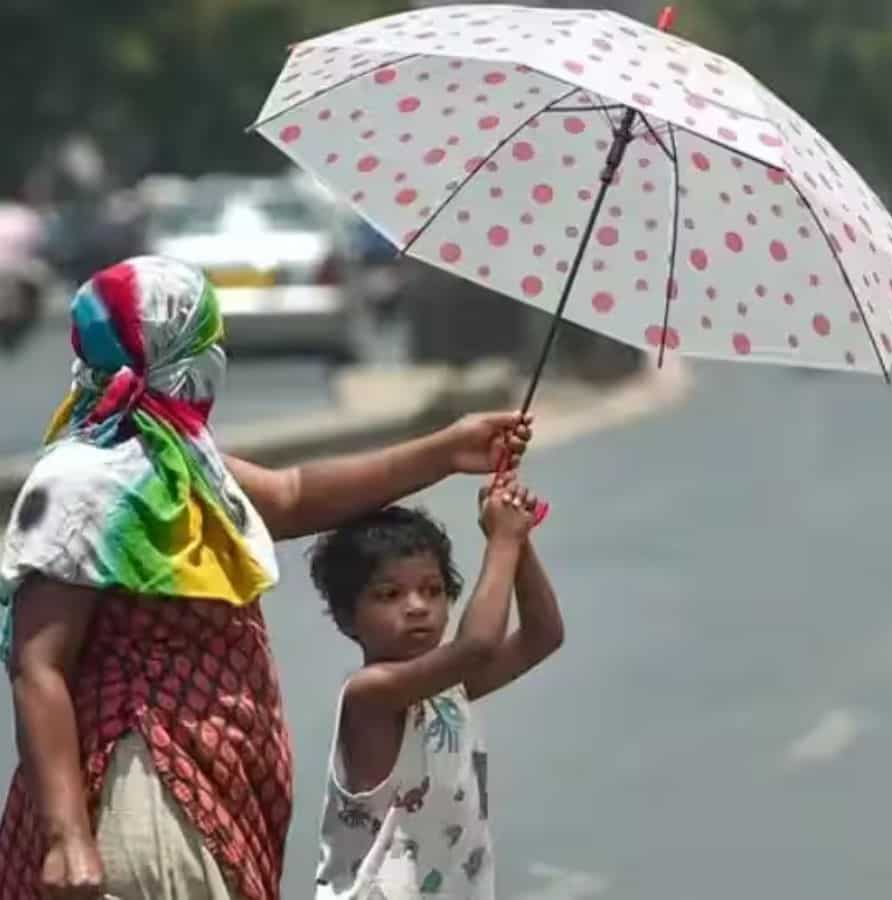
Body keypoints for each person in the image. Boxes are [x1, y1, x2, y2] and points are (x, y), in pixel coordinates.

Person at [0, 255, 533, 899]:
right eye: (205, 340)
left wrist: (446, 452)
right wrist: (67, 837)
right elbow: (38, 665)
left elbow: (290, 494)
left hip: (205, 794)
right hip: (139, 792)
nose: (215, 356)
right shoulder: (85, 480)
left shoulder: (179, 459)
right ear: (169, 350)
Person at [309, 473, 562, 899]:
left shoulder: (448, 689)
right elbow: (478, 645)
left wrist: (518, 539)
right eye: (389, 595)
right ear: (346, 617)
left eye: (433, 590)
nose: (417, 607)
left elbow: (543, 635)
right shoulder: (369, 694)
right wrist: (501, 539)